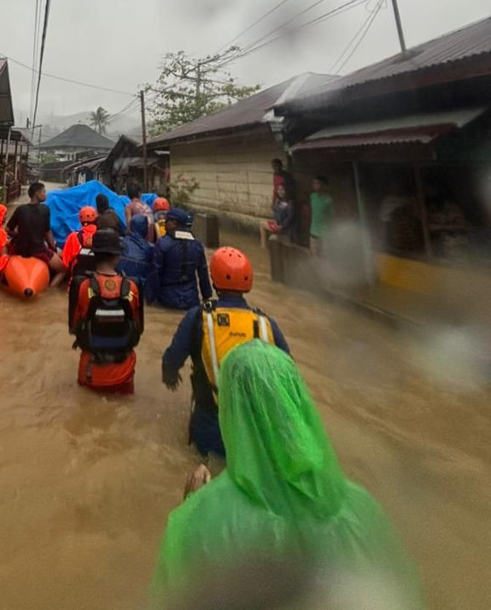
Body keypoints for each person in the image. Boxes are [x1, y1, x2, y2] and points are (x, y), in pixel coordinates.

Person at [153, 342, 421, 609]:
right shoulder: (363, 507)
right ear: (297, 399)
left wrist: (192, 501)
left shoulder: (197, 518)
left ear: (229, 407)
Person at [161, 247, 289, 458]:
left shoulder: (198, 318)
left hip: (211, 426)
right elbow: (288, 373)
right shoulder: (266, 324)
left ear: (214, 281)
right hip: (257, 429)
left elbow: (172, 358)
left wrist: (170, 376)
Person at [68, 229, 144, 394]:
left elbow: (73, 327)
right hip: (124, 372)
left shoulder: (82, 287)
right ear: (117, 256)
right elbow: (139, 329)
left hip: (90, 372)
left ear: (94, 255)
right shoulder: (132, 288)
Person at [147, 207, 210, 310]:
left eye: (167, 221)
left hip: (167, 299)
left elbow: (155, 273)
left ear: (174, 222)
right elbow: (203, 274)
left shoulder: (162, 244)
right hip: (191, 300)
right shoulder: (197, 245)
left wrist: (150, 299)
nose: (164, 225)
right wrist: (206, 297)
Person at [6, 182, 65, 286]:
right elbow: (48, 233)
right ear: (37, 193)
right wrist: (55, 249)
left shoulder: (20, 209)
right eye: (44, 192)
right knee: (63, 269)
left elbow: (7, 229)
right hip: (38, 250)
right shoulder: (45, 209)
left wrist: (19, 234)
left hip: (20, 249)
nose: (45, 194)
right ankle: (51, 290)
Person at [61, 205, 98, 281]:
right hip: (96, 280)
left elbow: (65, 262)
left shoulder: (73, 237)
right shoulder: (102, 236)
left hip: (77, 279)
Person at [118, 213, 154, 286]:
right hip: (139, 285)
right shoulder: (150, 249)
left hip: (120, 283)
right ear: (145, 229)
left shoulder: (121, 242)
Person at [259, 182, 296, 250]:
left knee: (263, 225)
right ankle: (263, 246)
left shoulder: (290, 202)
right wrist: (275, 221)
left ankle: (264, 246)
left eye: (282, 190)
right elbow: (275, 213)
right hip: (278, 224)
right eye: (278, 190)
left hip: (284, 227)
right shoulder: (279, 201)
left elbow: (290, 217)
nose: (280, 192)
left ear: (286, 191)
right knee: (262, 224)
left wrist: (282, 226)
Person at [309, 175, 334, 256]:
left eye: (317, 183)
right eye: (314, 183)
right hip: (313, 232)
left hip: (325, 233)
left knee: (325, 256)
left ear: (324, 185)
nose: (315, 185)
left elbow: (331, 216)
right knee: (314, 256)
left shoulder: (328, 200)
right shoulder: (312, 196)